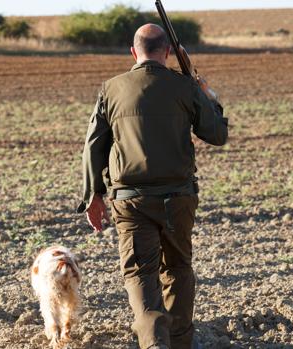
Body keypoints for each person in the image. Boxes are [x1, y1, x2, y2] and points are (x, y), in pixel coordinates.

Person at [77, 23, 228, 349]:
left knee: (141, 276)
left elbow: (93, 146)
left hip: (130, 201)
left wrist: (93, 195)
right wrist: (207, 96)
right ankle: (179, 343)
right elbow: (217, 135)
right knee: (177, 269)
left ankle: (155, 344)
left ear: (133, 52)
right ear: (168, 52)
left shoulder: (110, 89)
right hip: (179, 199)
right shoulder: (184, 87)